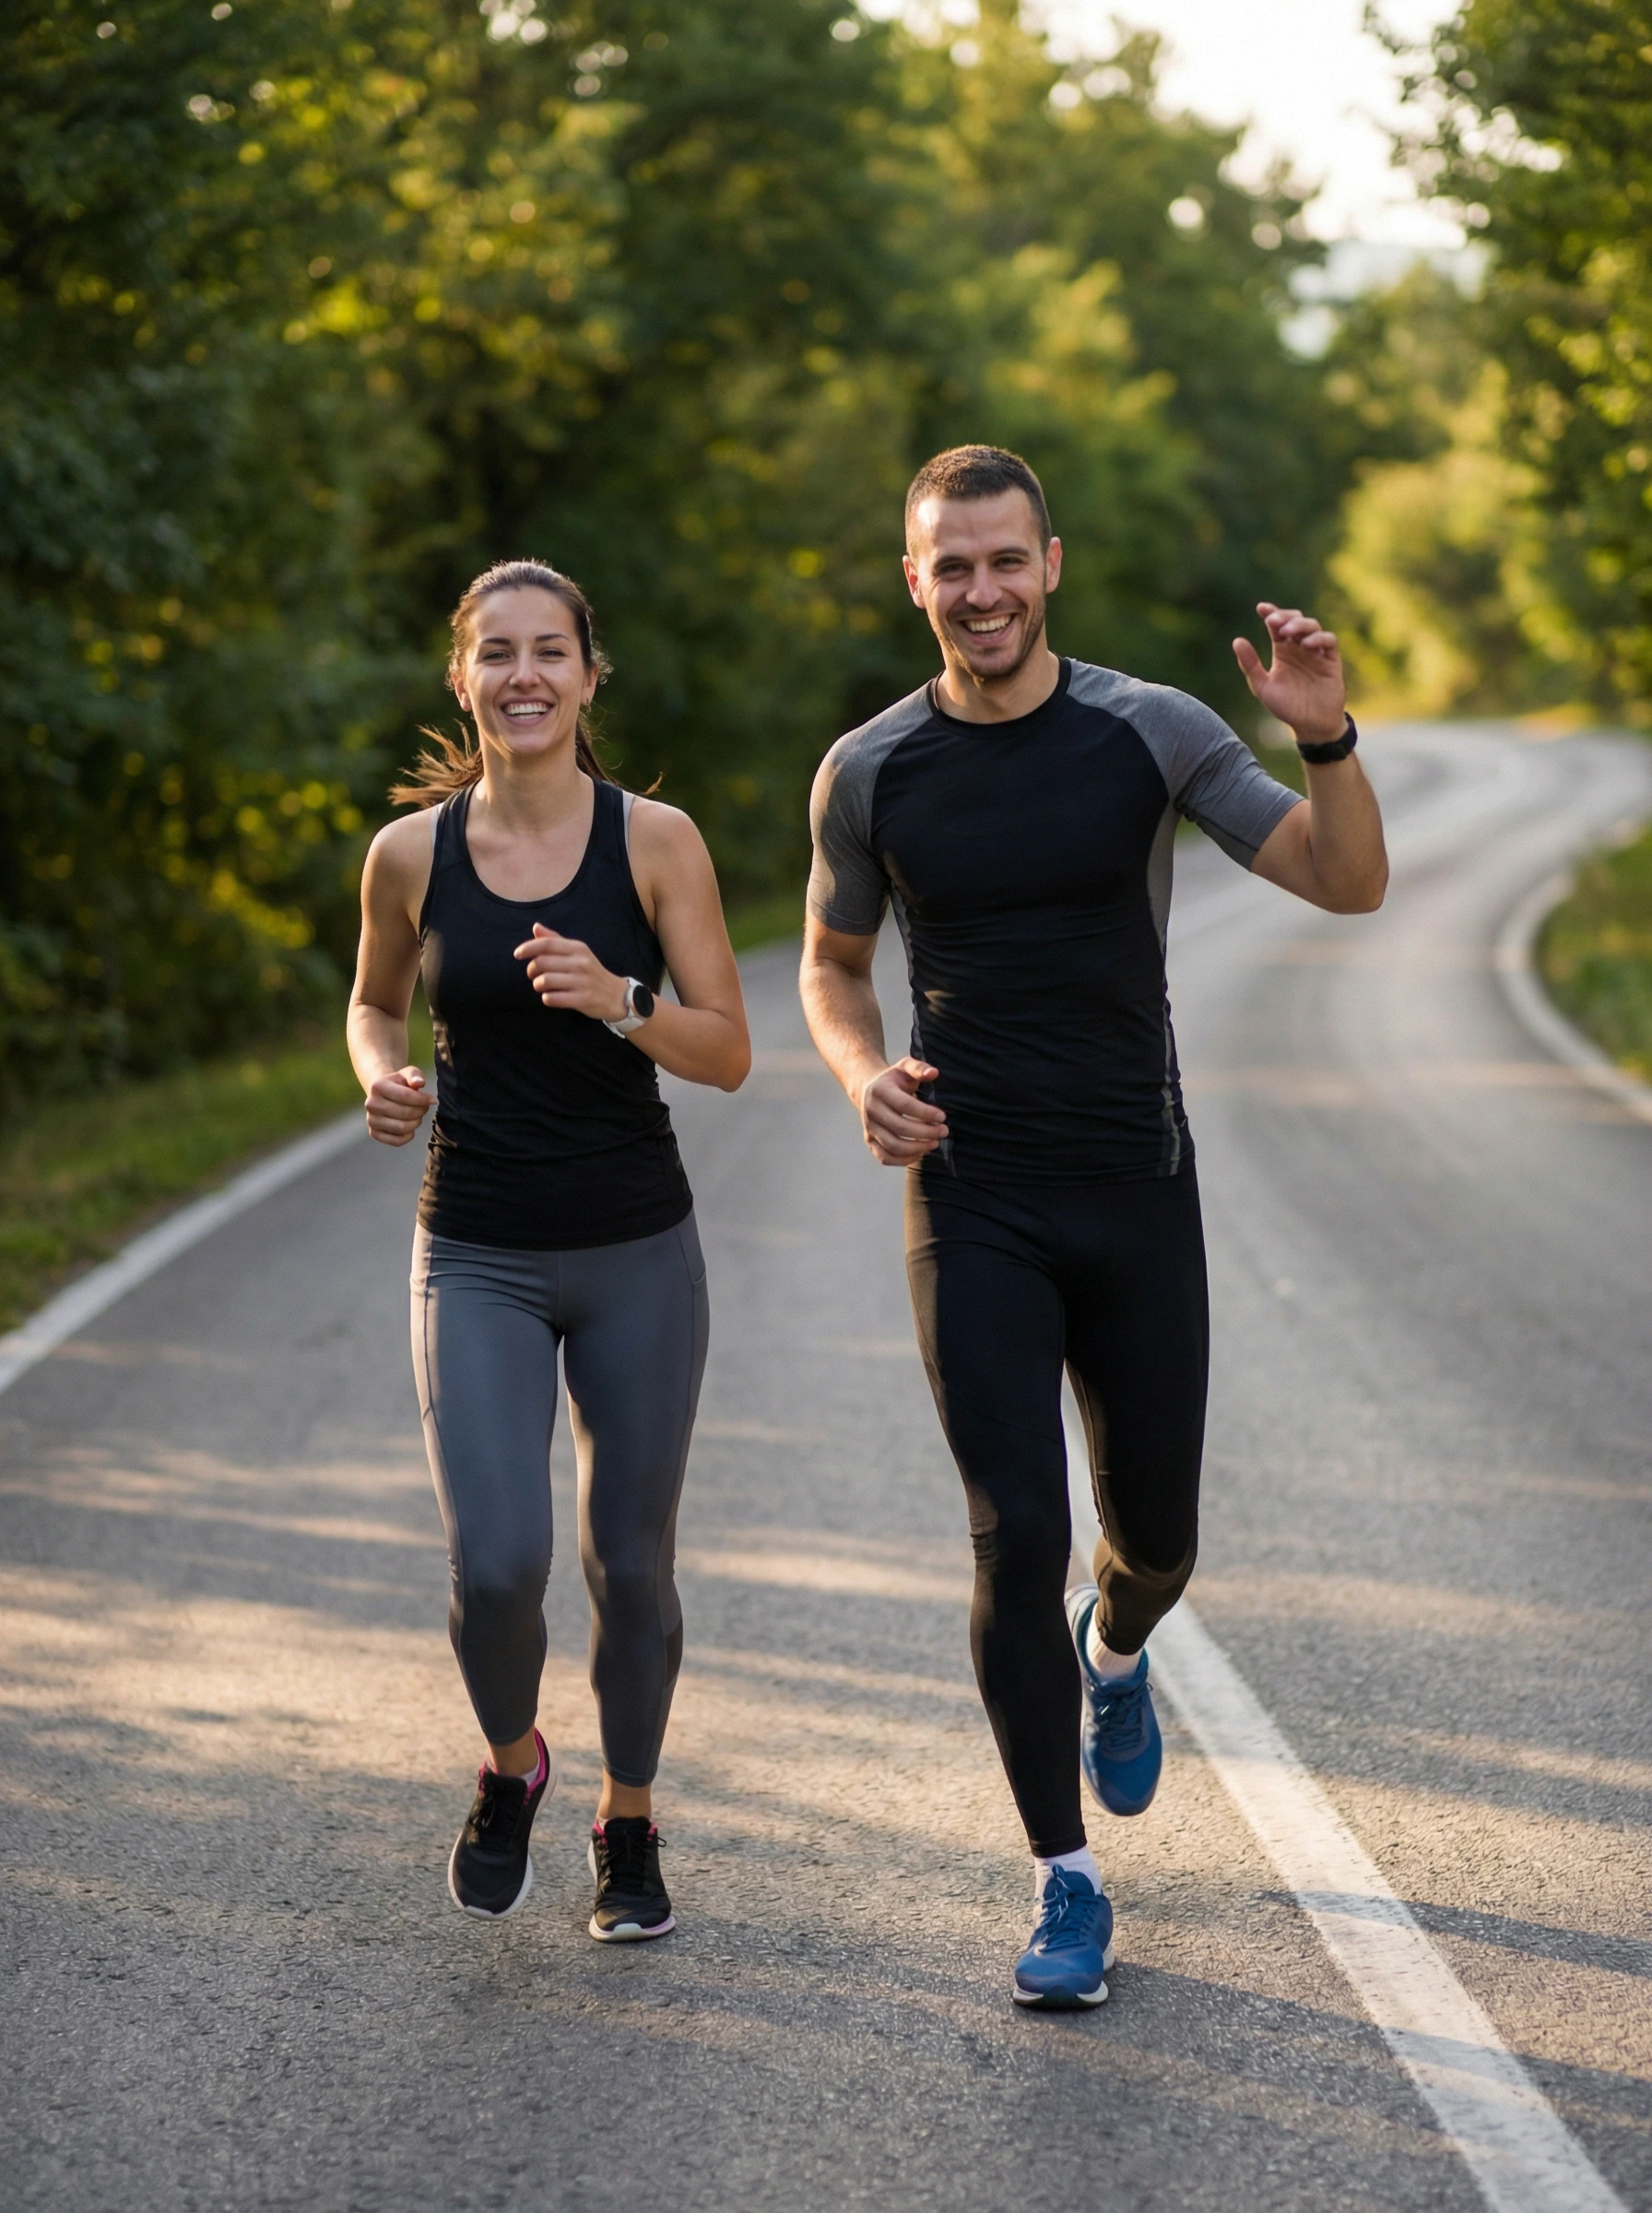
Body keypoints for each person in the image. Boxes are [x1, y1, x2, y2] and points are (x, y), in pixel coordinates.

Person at [800, 447, 1386, 2009]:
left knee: (1158, 1545)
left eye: (1006, 561)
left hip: (1135, 1185)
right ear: (912, 579)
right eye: (951, 566)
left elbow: (1346, 882)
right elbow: (831, 965)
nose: (980, 591)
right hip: (970, 1196)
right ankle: (1065, 1881)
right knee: (1013, 1531)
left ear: (1050, 563)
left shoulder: (1154, 731)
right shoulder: (870, 770)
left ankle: (1115, 1654)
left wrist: (1326, 738)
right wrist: (866, 1077)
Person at [348, 558, 749, 1938]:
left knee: (628, 1566)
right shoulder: (410, 855)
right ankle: (512, 1759)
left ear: (589, 674)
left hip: (637, 1244)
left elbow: (730, 1052)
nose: (525, 676)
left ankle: (628, 1824)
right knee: (496, 1566)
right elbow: (371, 1006)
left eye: (551, 653)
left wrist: (621, 998)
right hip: (475, 1249)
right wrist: (382, 1077)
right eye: (497, 654)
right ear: (463, 678)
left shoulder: (657, 842)